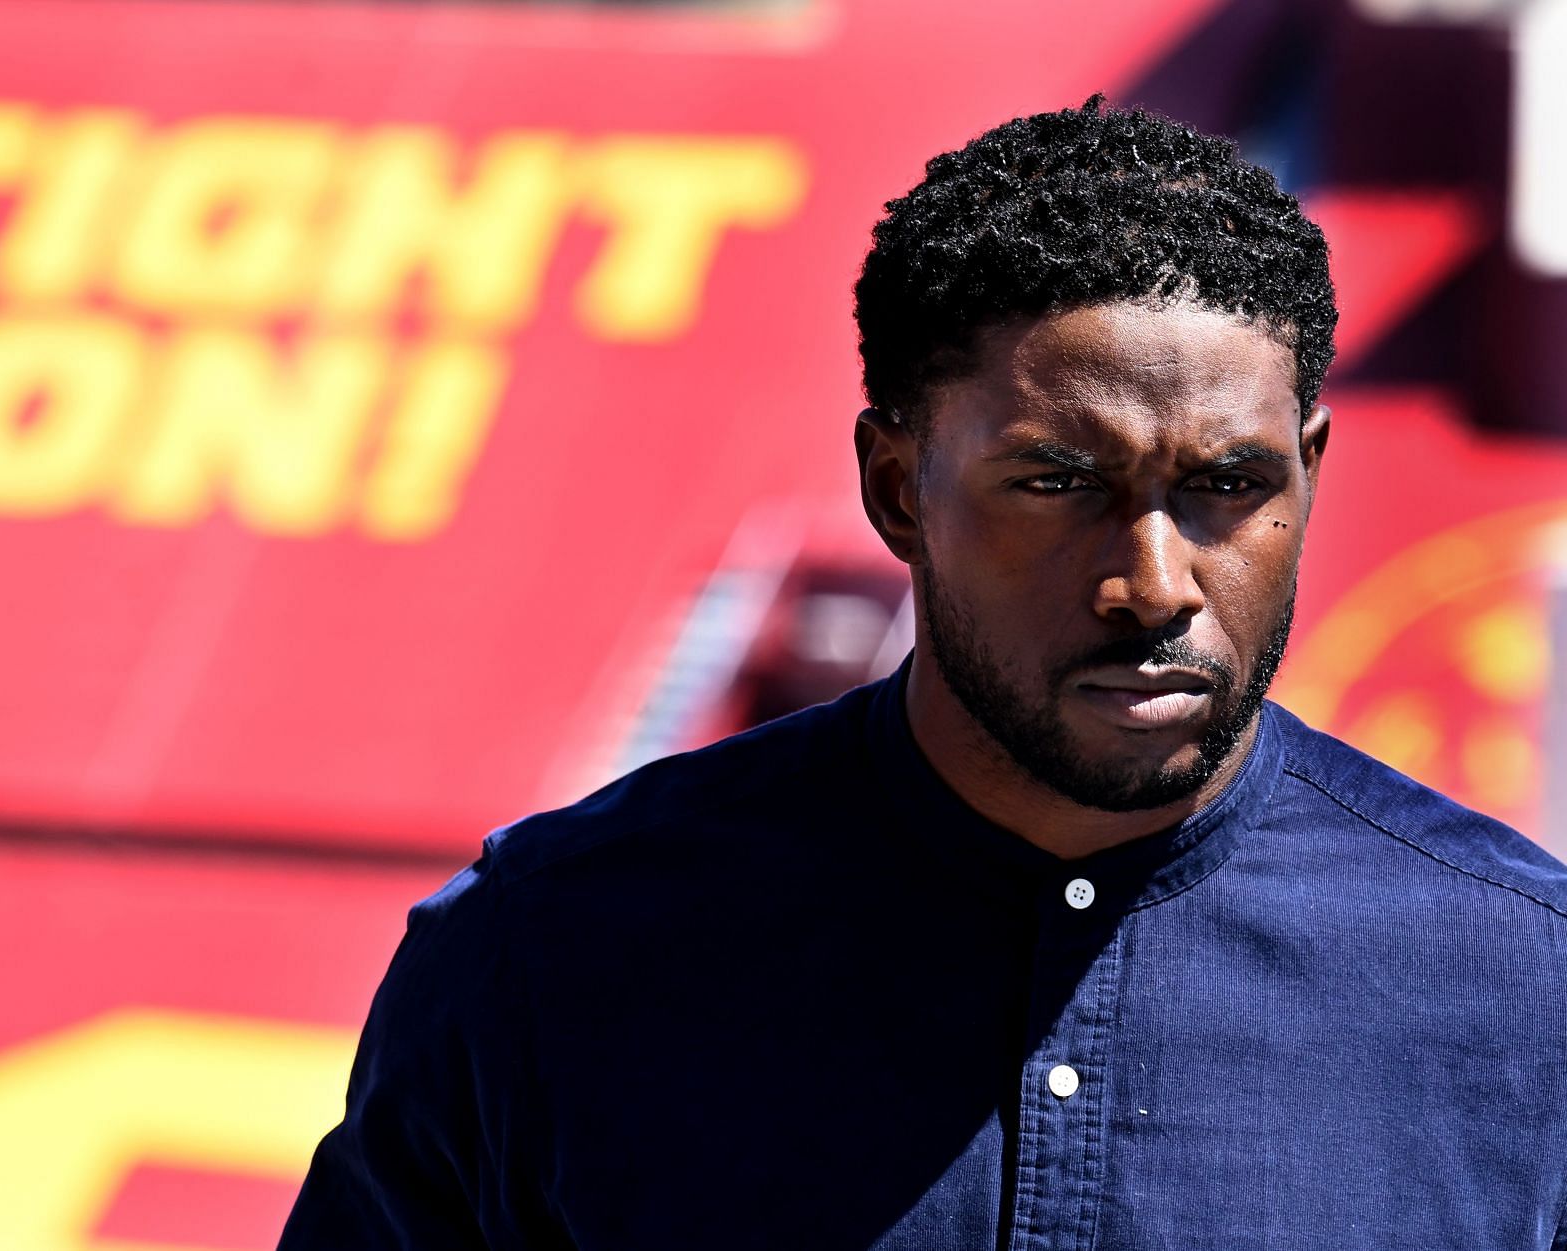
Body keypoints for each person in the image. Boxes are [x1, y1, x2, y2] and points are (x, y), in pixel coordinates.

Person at [278, 98, 1567, 1249]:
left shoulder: (1528, 990)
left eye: (1230, 486)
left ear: (1309, 469)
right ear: (899, 488)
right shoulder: (552, 951)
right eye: (1059, 484)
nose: (1158, 582)